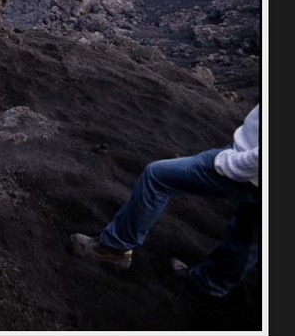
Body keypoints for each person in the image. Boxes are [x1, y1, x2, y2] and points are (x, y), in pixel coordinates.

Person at [70, 104, 261, 297]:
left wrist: (231, 165)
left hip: (248, 168)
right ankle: (208, 285)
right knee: (249, 233)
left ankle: (114, 248)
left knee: (157, 177)